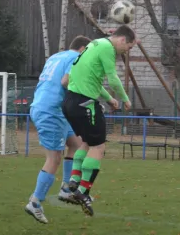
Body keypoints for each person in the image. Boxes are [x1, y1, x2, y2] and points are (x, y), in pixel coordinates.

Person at [62, 25, 136, 216]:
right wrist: (125, 98)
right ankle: (83, 192)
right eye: (128, 47)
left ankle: (74, 180)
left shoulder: (94, 45)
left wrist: (110, 99)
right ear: (121, 40)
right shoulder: (107, 49)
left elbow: (92, 79)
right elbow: (112, 79)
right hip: (85, 103)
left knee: (86, 143)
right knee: (99, 147)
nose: (125, 52)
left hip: (70, 101)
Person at [24, 35, 94, 225]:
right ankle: (35, 202)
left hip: (50, 108)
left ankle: (66, 188)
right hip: (51, 111)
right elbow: (65, 82)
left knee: (77, 144)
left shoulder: (56, 56)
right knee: (54, 158)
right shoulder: (75, 58)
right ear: (82, 49)